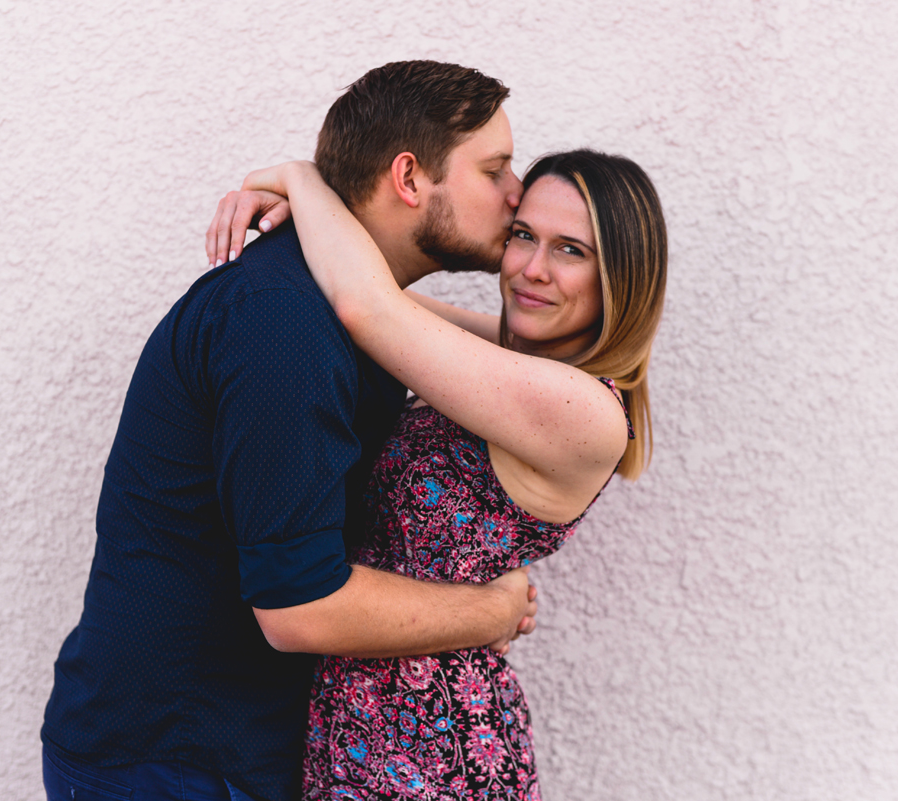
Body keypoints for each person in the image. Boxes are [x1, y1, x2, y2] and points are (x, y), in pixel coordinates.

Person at [40, 61, 541, 801]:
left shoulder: (338, 305)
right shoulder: (284, 325)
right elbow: (297, 606)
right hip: (170, 764)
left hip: (211, 754)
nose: (515, 192)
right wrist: (492, 610)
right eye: (495, 168)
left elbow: (510, 354)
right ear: (409, 178)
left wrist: (306, 184)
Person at [204, 148, 667, 799]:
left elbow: (370, 309)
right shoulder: (511, 360)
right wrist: (305, 230)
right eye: (523, 236)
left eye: (571, 250)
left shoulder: (584, 410)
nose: (532, 269)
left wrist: (301, 177)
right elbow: (379, 300)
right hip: (366, 734)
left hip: (437, 758)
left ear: (623, 276)